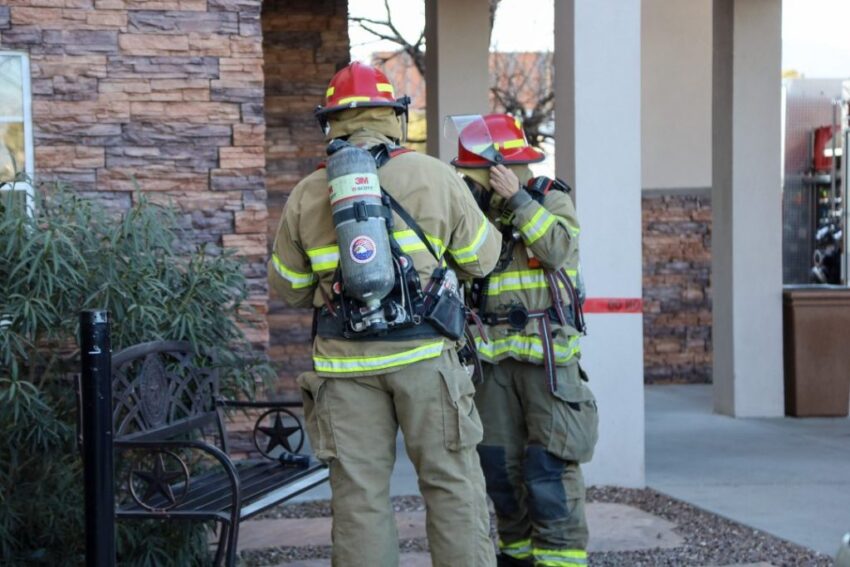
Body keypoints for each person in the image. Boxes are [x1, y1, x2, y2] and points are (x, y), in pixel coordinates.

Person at [268, 62, 501, 567]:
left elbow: (289, 288)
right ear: (394, 115)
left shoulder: (307, 193)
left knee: (360, 497)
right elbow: (481, 261)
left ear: (331, 122)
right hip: (426, 359)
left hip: (343, 367)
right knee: (451, 484)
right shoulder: (435, 176)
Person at [451, 114, 599, 567]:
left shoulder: (550, 199)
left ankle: (561, 559)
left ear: (502, 168)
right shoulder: (480, 215)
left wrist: (518, 200)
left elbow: (558, 250)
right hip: (493, 365)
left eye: (475, 174)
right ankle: (516, 556)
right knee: (499, 468)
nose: (470, 183)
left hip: (547, 364)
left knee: (548, 467)